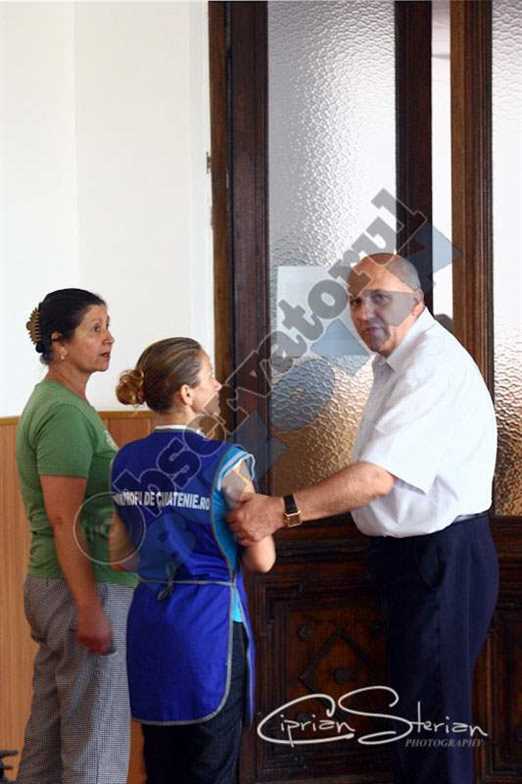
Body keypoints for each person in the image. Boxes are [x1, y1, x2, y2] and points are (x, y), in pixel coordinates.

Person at [229, 254, 498, 784]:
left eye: (380, 298)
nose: (363, 312)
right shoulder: (393, 362)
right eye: (355, 300)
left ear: (416, 303)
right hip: (412, 560)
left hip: (443, 558)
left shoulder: (430, 365)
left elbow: (376, 478)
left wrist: (280, 511)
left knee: (433, 729)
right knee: (416, 722)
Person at [110, 337, 275, 784]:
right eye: (210, 376)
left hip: (151, 625)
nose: (219, 385)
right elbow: (262, 560)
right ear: (186, 393)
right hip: (209, 628)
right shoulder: (226, 462)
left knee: (162, 764)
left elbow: (120, 558)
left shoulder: (125, 461)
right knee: (210, 767)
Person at [15, 289, 137, 784]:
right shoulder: (63, 411)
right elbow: (64, 517)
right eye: (95, 329)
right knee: (96, 743)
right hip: (81, 588)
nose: (109, 339)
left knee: (47, 747)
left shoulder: (66, 404)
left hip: (64, 586)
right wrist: (89, 607)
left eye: (108, 326)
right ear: (60, 344)